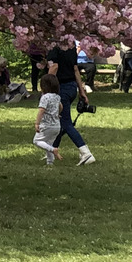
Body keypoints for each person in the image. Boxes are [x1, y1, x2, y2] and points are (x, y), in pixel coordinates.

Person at [44, 36, 95, 166]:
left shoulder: (54, 46)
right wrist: (81, 91)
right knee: (61, 123)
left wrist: (46, 89)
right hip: (72, 87)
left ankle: (85, 152)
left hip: (61, 88)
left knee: (65, 123)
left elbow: (54, 67)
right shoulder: (71, 45)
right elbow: (75, 69)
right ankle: (52, 152)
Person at [32, 73, 64, 164]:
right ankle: (50, 162)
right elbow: (61, 106)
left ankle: (53, 150)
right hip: (56, 126)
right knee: (48, 142)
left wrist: (37, 123)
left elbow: (41, 110)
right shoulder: (57, 97)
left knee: (37, 141)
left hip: (46, 125)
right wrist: (57, 113)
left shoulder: (45, 97)